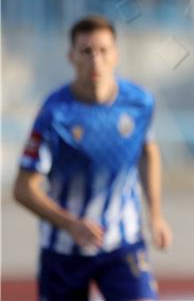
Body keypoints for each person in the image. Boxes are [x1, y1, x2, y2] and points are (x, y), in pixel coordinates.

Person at [13, 15, 172, 301]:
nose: (95, 60)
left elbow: (148, 151)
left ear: (116, 55)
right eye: (86, 51)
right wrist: (69, 224)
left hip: (122, 243)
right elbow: (23, 188)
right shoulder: (54, 114)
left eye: (103, 51)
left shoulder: (140, 103)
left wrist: (156, 215)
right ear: (71, 57)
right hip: (64, 248)